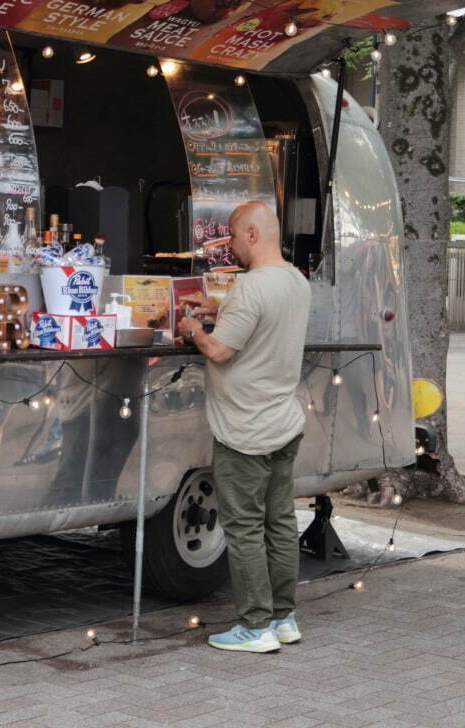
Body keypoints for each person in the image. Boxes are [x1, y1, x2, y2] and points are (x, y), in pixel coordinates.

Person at [174, 201, 311, 654]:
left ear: (252, 235)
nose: (229, 246)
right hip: (284, 422)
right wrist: (218, 307)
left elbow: (219, 352)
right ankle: (283, 617)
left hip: (245, 429)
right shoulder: (295, 281)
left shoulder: (251, 288)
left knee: (245, 527)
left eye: (232, 237)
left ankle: (254, 628)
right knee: (281, 523)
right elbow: (259, 324)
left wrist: (194, 327)